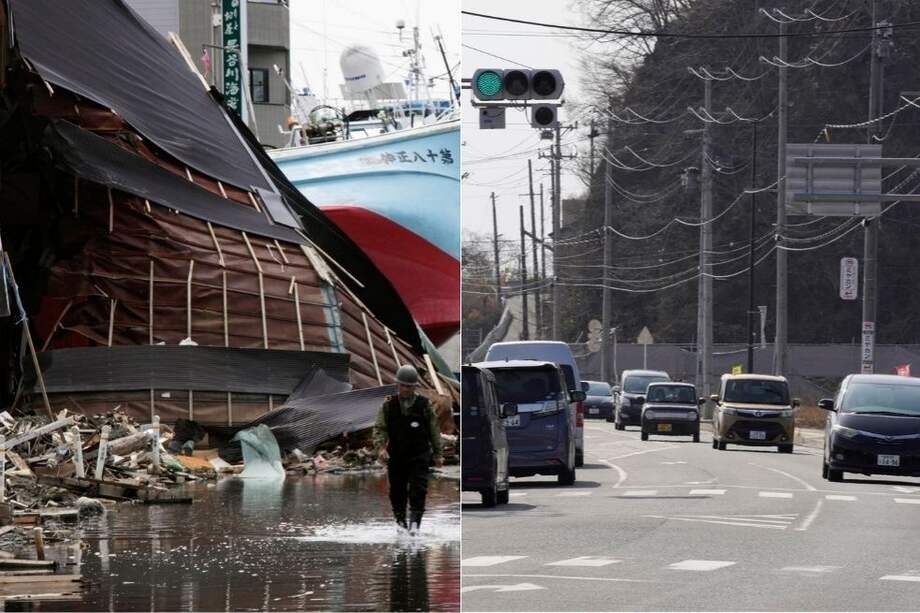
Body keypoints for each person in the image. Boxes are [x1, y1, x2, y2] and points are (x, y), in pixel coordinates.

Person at [373, 364, 443, 535]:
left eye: (409, 386)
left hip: (419, 455)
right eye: (402, 385)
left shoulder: (424, 405)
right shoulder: (388, 405)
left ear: (414, 387)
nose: (405, 389)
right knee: (397, 492)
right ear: (397, 385)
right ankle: (400, 523)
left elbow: (434, 429)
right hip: (397, 455)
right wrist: (381, 448)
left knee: (418, 490)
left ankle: (414, 526)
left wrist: (438, 453)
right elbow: (379, 428)